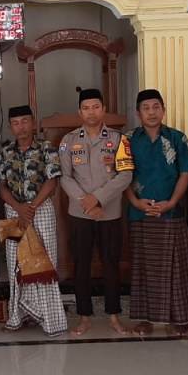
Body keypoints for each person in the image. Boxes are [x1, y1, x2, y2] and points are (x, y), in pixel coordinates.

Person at [59, 88, 133, 336]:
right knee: (81, 265)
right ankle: (84, 317)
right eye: (86, 108)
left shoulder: (119, 139)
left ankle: (114, 316)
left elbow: (125, 174)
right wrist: (86, 201)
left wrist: (98, 199)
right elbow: (65, 177)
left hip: (109, 213)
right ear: (80, 112)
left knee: (111, 264)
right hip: (80, 213)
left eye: (96, 107)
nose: (91, 112)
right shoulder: (69, 141)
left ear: (103, 110)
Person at [124, 89, 188, 336]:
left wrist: (172, 202)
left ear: (163, 110)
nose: (152, 112)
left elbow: (186, 173)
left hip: (170, 212)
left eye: (156, 107)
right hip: (140, 213)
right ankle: (145, 320)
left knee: (175, 269)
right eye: (146, 108)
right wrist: (135, 202)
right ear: (138, 113)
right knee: (143, 269)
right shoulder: (128, 140)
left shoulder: (177, 138)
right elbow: (121, 176)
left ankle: (178, 319)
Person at [0, 105, 67, 336]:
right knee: (15, 263)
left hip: (41, 210)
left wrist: (31, 207)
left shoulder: (47, 148)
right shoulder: (5, 152)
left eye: (25, 121)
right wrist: (19, 208)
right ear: (11, 126)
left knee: (45, 263)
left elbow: (52, 182)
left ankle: (50, 319)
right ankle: (18, 316)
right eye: (16, 123)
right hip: (13, 212)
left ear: (33, 122)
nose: (21, 127)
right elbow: (2, 186)